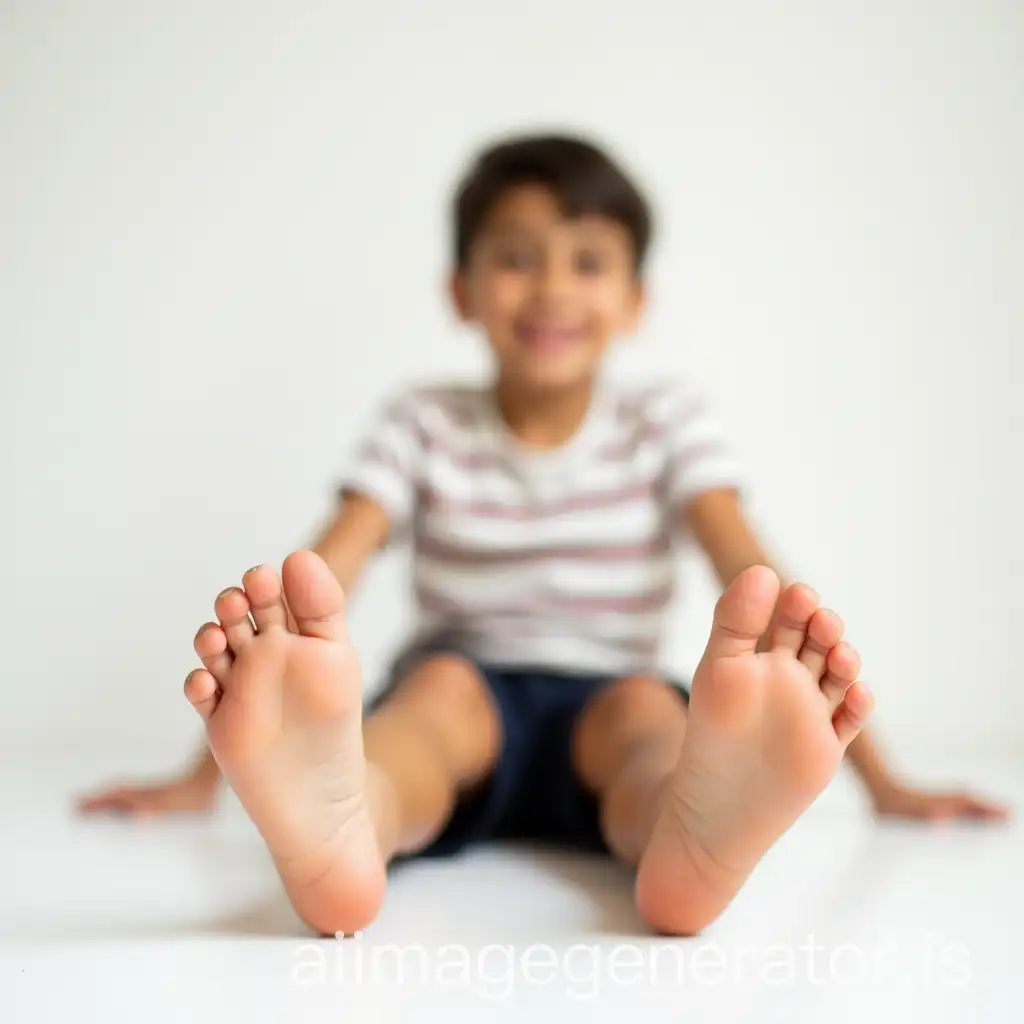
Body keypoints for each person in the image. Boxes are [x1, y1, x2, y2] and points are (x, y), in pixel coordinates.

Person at [78, 134, 1009, 937]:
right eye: (518, 257)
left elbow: (750, 568)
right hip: (464, 688)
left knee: (654, 730)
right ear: (462, 290)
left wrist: (883, 780)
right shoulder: (422, 422)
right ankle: (348, 829)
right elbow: (325, 581)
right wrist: (201, 774)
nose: (553, 288)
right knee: (421, 718)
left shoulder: (664, 425)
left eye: (589, 261)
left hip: (610, 691)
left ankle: (691, 838)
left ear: (635, 301)